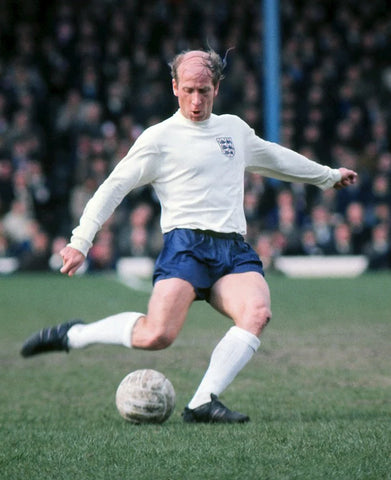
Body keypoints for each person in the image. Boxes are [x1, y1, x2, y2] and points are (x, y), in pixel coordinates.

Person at [21, 49, 358, 423]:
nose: (196, 101)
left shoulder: (233, 130)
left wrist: (328, 176)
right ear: (174, 87)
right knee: (157, 336)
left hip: (232, 249)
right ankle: (76, 334)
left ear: (216, 88)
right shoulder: (159, 138)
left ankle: (202, 401)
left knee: (257, 312)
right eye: (189, 90)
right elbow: (113, 187)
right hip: (186, 247)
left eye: (205, 91)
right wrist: (80, 241)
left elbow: (276, 159)